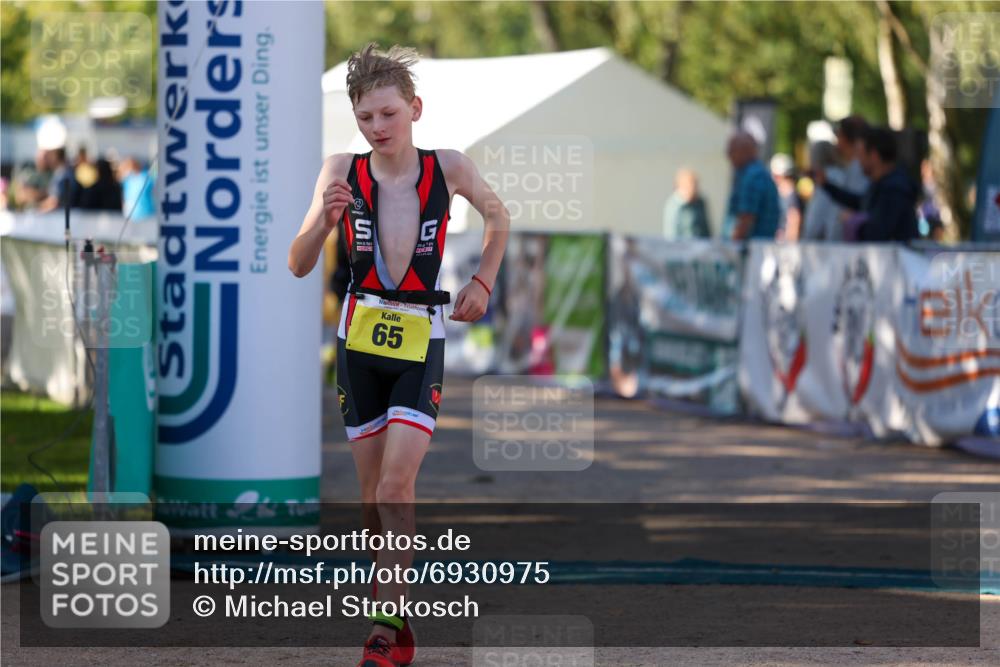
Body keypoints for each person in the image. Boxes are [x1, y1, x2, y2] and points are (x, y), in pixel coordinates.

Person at [287, 43, 509, 667]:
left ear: (415, 109)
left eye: (387, 114)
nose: (377, 127)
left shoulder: (449, 167)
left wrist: (483, 282)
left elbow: (499, 216)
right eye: (365, 117)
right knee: (371, 505)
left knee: (395, 486)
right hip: (358, 343)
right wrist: (322, 224)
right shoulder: (340, 170)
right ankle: (397, 613)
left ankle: (382, 632)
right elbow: (297, 264)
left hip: (420, 340)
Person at [816, 126, 920, 242]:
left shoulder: (894, 190)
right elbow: (861, 202)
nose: (858, 161)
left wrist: (853, 221)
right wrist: (827, 185)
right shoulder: (884, 185)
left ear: (874, 156)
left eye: (861, 155)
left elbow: (877, 232)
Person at [723, 131, 780, 240]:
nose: (728, 155)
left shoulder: (752, 176)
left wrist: (731, 246)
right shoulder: (758, 173)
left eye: (731, 150)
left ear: (744, 151)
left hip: (751, 247)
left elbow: (746, 218)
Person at [802, 140, 848, 241]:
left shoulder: (826, 177)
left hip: (827, 242)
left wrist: (806, 239)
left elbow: (815, 221)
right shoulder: (842, 174)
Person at [662, 168, 710, 239]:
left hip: (700, 243)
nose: (693, 189)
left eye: (695, 186)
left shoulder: (700, 202)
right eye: (690, 186)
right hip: (681, 244)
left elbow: (706, 230)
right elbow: (671, 235)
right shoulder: (673, 205)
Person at [770, 153, 803, 241]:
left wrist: (789, 243)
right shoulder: (780, 193)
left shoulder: (790, 195)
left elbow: (794, 220)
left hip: (783, 243)